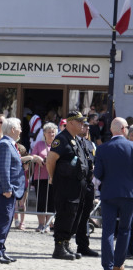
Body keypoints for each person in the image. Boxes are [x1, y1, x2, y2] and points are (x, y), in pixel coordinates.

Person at [46, 111, 92, 260]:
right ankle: (59, 246)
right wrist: (53, 177)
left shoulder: (76, 139)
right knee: (65, 214)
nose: (82, 125)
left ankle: (66, 243)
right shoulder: (61, 139)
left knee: (75, 215)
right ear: (71, 123)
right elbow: (50, 160)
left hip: (78, 185)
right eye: (79, 122)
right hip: (65, 185)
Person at [95, 118, 133, 270]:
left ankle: (107, 267)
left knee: (108, 231)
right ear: (124, 129)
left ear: (112, 130)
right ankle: (118, 264)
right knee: (124, 230)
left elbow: (97, 174)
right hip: (128, 194)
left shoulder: (102, 149)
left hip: (108, 194)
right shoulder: (132, 147)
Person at [0, 117, 25, 263]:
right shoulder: (4, 144)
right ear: (13, 129)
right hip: (5, 190)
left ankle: (0, 249)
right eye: (19, 127)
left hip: (9, 189)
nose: (21, 130)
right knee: (3, 220)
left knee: (7, 220)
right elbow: (3, 169)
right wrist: (7, 188)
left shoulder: (10, 144)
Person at [74, 119, 98, 258]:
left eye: (88, 127)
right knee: (73, 215)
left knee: (85, 216)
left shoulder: (90, 144)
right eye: (84, 126)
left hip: (88, 184)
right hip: (76, 184)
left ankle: (83, 245)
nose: (86, 128)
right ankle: (63, 243)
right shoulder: (74, 142)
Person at [29, 123, 58, 233]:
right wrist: (38, 159)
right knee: (41, 200)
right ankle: (41, 224)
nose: (51, 134)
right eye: (49, 132)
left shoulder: (57, 145)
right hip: (40, 176)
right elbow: (33, 155)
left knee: (51, 201)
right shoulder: (39, 144)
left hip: (53, 177)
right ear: (44, 134)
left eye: (53, 132)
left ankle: (49, 224)